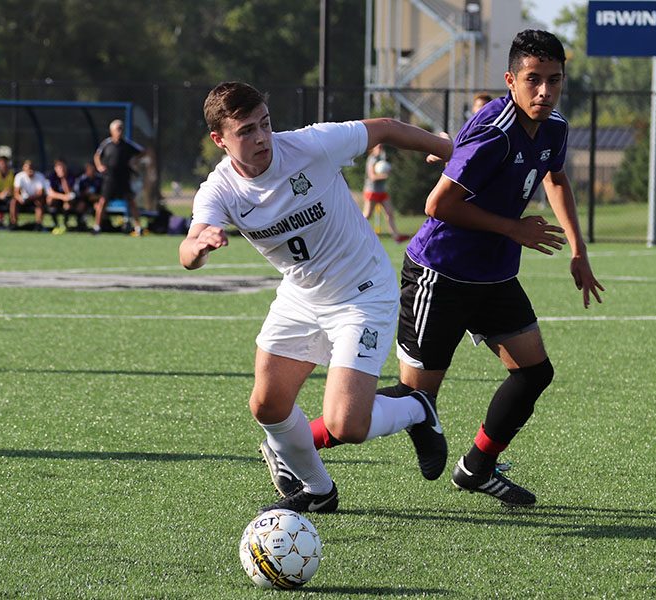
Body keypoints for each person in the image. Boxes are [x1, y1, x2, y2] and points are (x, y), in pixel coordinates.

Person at [179, 81, 453, 514]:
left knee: (347, 423)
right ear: (220, 140)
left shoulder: (311, 145)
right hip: (301, 296)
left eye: (265, 124)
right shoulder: (219, 190)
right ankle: (318, 490)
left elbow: (382, 127)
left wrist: (446, 147)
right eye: (246, 131)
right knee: (267, 405)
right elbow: (188, 249)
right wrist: (198, 247)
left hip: (362, 292)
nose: (262, 137)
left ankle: (416, 407)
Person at [390, 30, 604, 508]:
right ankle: (299, 444)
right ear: (511, 80)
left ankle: (477, 468)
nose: (544, 91)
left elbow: (556, 177)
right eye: (533, 80)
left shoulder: (554, 128)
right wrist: (513, 228)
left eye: (554, 80)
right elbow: (437, 204)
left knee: (534, 372)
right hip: (439, 273)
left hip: (494, 277)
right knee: (414, 403)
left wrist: (578, 249)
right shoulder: (495, 131)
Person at [93, 119, 144, 236]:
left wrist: (134, 161)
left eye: (121, 129)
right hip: (110, 178)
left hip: (123, 178)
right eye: (118, 129)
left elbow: (142, 152)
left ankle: (138, 228)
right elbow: (97, 155)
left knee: (131, 202)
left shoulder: (127, 144)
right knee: (102, 202)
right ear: (112, 131)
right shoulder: (107, 144)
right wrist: (99, 166)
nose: (120, 131)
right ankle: (97, 227)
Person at [361, 144, 409, 243]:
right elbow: (372, 177)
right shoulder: (372, 159)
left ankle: (396, 236)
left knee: (389, 213)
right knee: (367, 215)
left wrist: (388, 170)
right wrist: (385, 175)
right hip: (372, 191)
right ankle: (357, 234)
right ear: (373, 149)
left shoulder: (381, 159)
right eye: (378, 147)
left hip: (381, 191)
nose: (380, 149)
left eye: (381, 147)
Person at [10, 159, 48, 230]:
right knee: (14, 202)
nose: (30, 170)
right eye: (27, 168)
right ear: (23, 168)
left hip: (34, 199)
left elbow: (40, 193)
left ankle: (38, 225)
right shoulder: (19, 176)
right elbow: (16, 192)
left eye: (31, 168)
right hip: (22, 200)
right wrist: (20, 198)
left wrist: (29, 198)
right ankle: (13, 223)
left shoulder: (40, 176)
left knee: (39, 202)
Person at [45, 158, 80, 233]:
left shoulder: (71, 176)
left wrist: (63, 178)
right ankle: (56, 224)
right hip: (57, 198)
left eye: (62, 167)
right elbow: (51, 193)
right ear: (55, 168)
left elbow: (69, 193)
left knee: (68, 204)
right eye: (59, 167)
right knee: (50, 200)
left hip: (67, 200)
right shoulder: (52, 176)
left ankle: (64, 224)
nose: (61, 169)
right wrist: (62, 197)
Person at [74, 162, 102, 231]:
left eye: (93, 169)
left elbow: (103, 193)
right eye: (89, 169)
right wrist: (85, 194)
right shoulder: (82, 179)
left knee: (99, 207)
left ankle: (98, 225)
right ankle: (80, 224)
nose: (91, 171)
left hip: (96, 199)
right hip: (84, 199)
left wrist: (96, 197)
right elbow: (78, 193)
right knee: (80, 206)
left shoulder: (99, 179)